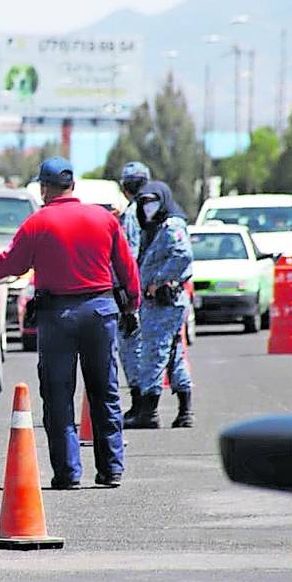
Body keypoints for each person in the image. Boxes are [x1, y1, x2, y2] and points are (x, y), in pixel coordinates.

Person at [0, 157, 140, 489]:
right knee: (105, 392)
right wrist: (131, 307)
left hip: (58, 318)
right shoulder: (104, 219)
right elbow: (127, 269)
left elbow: (8, 266)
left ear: (43, 188)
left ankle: (68, 473)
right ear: (72, 185)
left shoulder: (38, 224)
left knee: (57, 395)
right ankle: (111, 469)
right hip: (100, 313)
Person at [125, 180, 195, 429]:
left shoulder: (171, 225)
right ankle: (185, 410)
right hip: (156, 302)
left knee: (153, 353)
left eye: (152, 201)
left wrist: (157, 280)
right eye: (143, 202)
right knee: (172, 354)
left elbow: (183, 255)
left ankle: (149, 412)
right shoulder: (151, 227)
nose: (147, 207)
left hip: (164, 301)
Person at [117, 162, 150, 426]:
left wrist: (126, 295)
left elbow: (129, 257)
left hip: (136, 292)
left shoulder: (131, 215)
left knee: (131, 349)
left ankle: (142, 407)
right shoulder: (155, 209)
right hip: (154, 289)